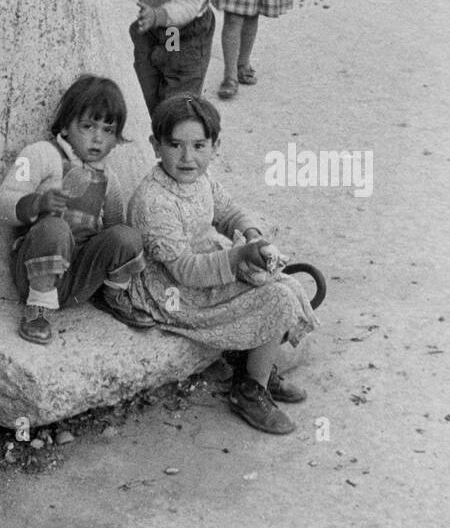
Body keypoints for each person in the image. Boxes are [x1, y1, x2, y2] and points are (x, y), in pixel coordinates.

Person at [123, 94, 317, 435]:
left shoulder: (202, 180)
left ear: (215, 146)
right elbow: (183, 269)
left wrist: (254, 238)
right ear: (156, 146)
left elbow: (228, 212)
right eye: (175, 145)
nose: (187, 157)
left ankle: (257, 363)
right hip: (172, 291)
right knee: (275, 298)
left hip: (204, 269)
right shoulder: (154, 201)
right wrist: (238, 257)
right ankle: (249, 389)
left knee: (286, 283)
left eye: (199, 145)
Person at [0, 75, 153, 345]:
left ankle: (112, 296)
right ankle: (37, 309)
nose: (97, 139)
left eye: (108, 130)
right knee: (55, 227)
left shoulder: (109, 178)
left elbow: (115, 230)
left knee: (126, 236)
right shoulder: (41, 154)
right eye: (88, 126)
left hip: (79, 279)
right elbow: (2, 203)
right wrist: (37, 203)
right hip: (36, 270)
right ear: (66, 127)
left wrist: (115, 254)